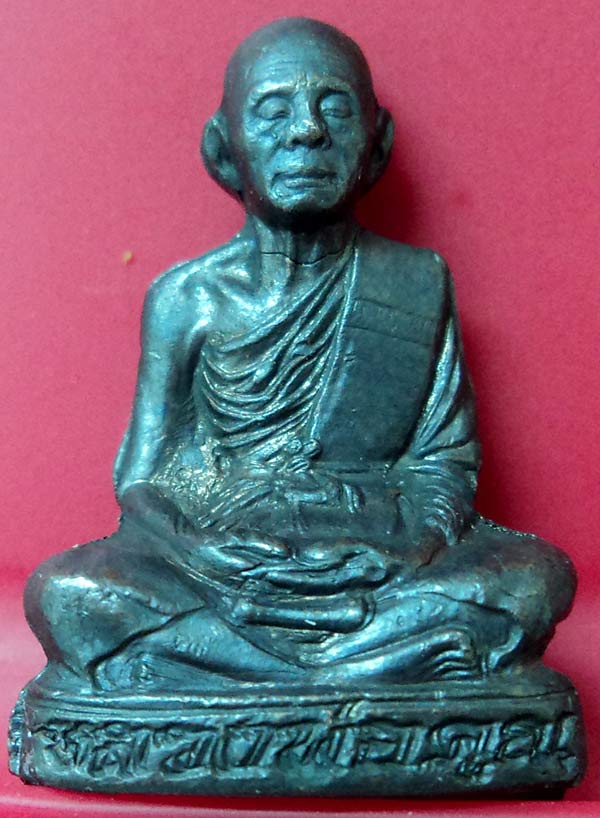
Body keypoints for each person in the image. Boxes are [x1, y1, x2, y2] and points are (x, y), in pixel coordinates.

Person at [25, 17, 575, 693]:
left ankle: (233, 666)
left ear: (377, 143)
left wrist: (408, 548)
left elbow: (443, 463)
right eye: (273, 110)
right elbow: (142, 478)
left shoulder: (414, 284)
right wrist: (207, 555)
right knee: (67, 592)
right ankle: (363, 668)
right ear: (224, 149)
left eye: (335, 108)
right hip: (226, 563)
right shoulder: (186, 298)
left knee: (535, 578)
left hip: (378, 559)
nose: (307, 131)